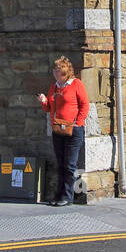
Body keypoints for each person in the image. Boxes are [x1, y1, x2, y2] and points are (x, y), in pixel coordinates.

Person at [37, 56, 89, 206]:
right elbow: (48, 108)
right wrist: (43, 102)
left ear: (65, 72)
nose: (54, 73)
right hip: (58, 129)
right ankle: (59, 196)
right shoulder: (54, 87)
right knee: (60, 163)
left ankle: (68, 197)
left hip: (73, 130)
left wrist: (78, 123)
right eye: (54, 70)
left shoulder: (76, 84)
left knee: (70, 164)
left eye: (57, 70)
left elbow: (85, 105)